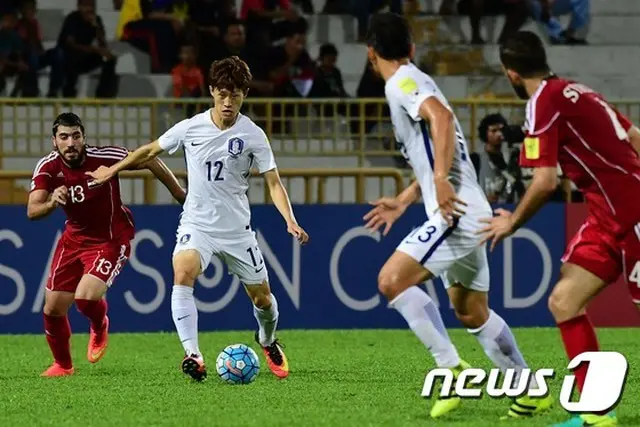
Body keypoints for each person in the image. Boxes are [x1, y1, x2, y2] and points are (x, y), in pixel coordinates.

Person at [361, 13, 552, 420]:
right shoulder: (414, 79)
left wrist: (441, 181)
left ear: (370, 53)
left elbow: (442, 119)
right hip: (464, 208)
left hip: (458, 214)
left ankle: (451, 368)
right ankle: (529, 388)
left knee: (391, 281)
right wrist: (407, 197)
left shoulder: (402, 83)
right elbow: (436, 146)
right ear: (411, 48)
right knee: (469, 310)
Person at [86, 56, 310, 382]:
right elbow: (150, 151)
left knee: (263, 299)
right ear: (211, 91)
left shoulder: (253, 135)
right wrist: (113, 170)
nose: (228, 102)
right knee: (183, 271)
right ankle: (194, 355)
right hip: (197, 224)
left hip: (236, 230)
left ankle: (267, 340)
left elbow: (274, 182)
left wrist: (289, 219)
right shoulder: (191, 127)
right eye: (222, 94)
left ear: (244, 95)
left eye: (235, 95)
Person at [480, 31, 640, 427]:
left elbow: (545, 182)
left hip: (633, 213)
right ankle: (598, 411)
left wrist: (512, 222)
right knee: (564, 301)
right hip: (608, 217)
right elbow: (633, 135)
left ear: (511, 74)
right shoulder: (576, 91)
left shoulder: (541, 103)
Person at [28, 112, 186, 377]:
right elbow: (32, 211)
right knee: (52, 307)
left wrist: (182, 196)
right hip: (73, 240)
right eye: (64, 137)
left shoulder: (105, 157)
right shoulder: (48, 167)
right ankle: (63, 366)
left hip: (110, 239)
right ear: (54, 141)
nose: (71, 143)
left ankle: (100, 324)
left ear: (84, 138)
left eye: (76, 136)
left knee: (85, 297)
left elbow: (150, 158)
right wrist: (52, 201)